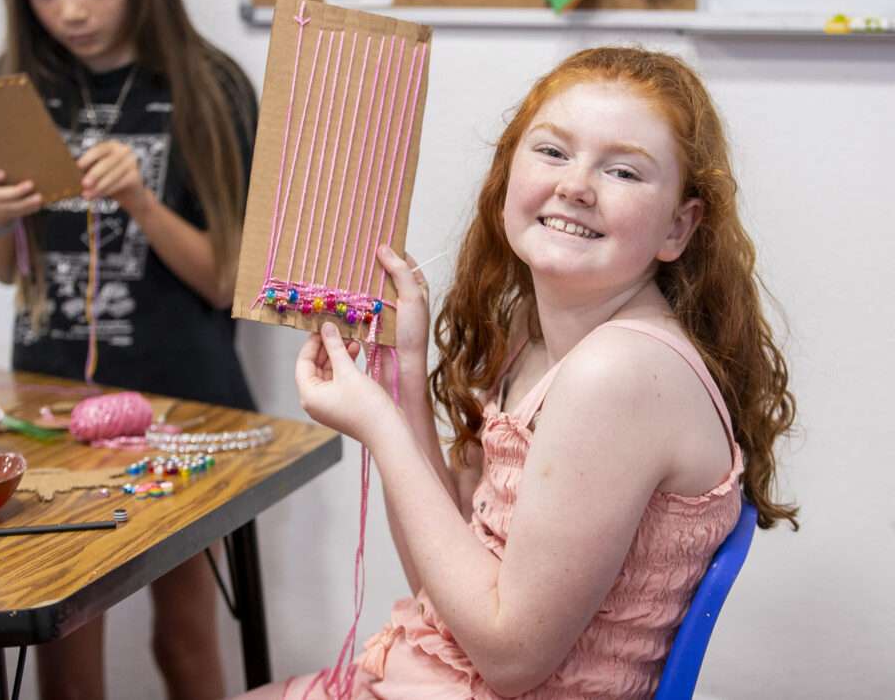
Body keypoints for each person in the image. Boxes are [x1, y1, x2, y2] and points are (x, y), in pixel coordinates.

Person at [239, 46, 798, 699]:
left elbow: (509, 657)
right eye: (553, 152)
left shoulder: (618, 372)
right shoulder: (532, 339)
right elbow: (440, 583)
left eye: (622, 170)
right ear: (508, 174)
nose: (575, 185)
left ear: (678, 226)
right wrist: (402, 373)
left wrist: (381, 429)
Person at [0, 0, 256, 698]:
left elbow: (228, 282)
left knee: (188, 628)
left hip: (187, 405)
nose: (71, 12)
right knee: (64, 631)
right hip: (50, 404)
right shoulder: (15, 85)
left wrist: (139, 200)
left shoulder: (206, 84)